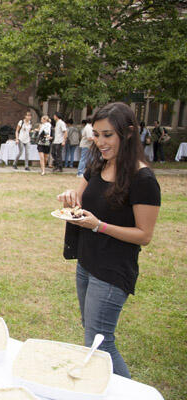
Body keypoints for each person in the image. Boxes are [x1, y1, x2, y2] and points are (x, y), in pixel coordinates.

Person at [57, 102, 160, 378]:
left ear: (127, 134)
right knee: (92, 333)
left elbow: (144, 235)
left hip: (113, 270)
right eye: (97, 135)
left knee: (101, 344)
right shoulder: (96, 165)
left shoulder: (143, 179)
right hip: (87, 263)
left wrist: (99, 226)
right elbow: (79, 200)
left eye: (107, 135)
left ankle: (129, 393)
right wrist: (70, 197)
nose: (100, 142)